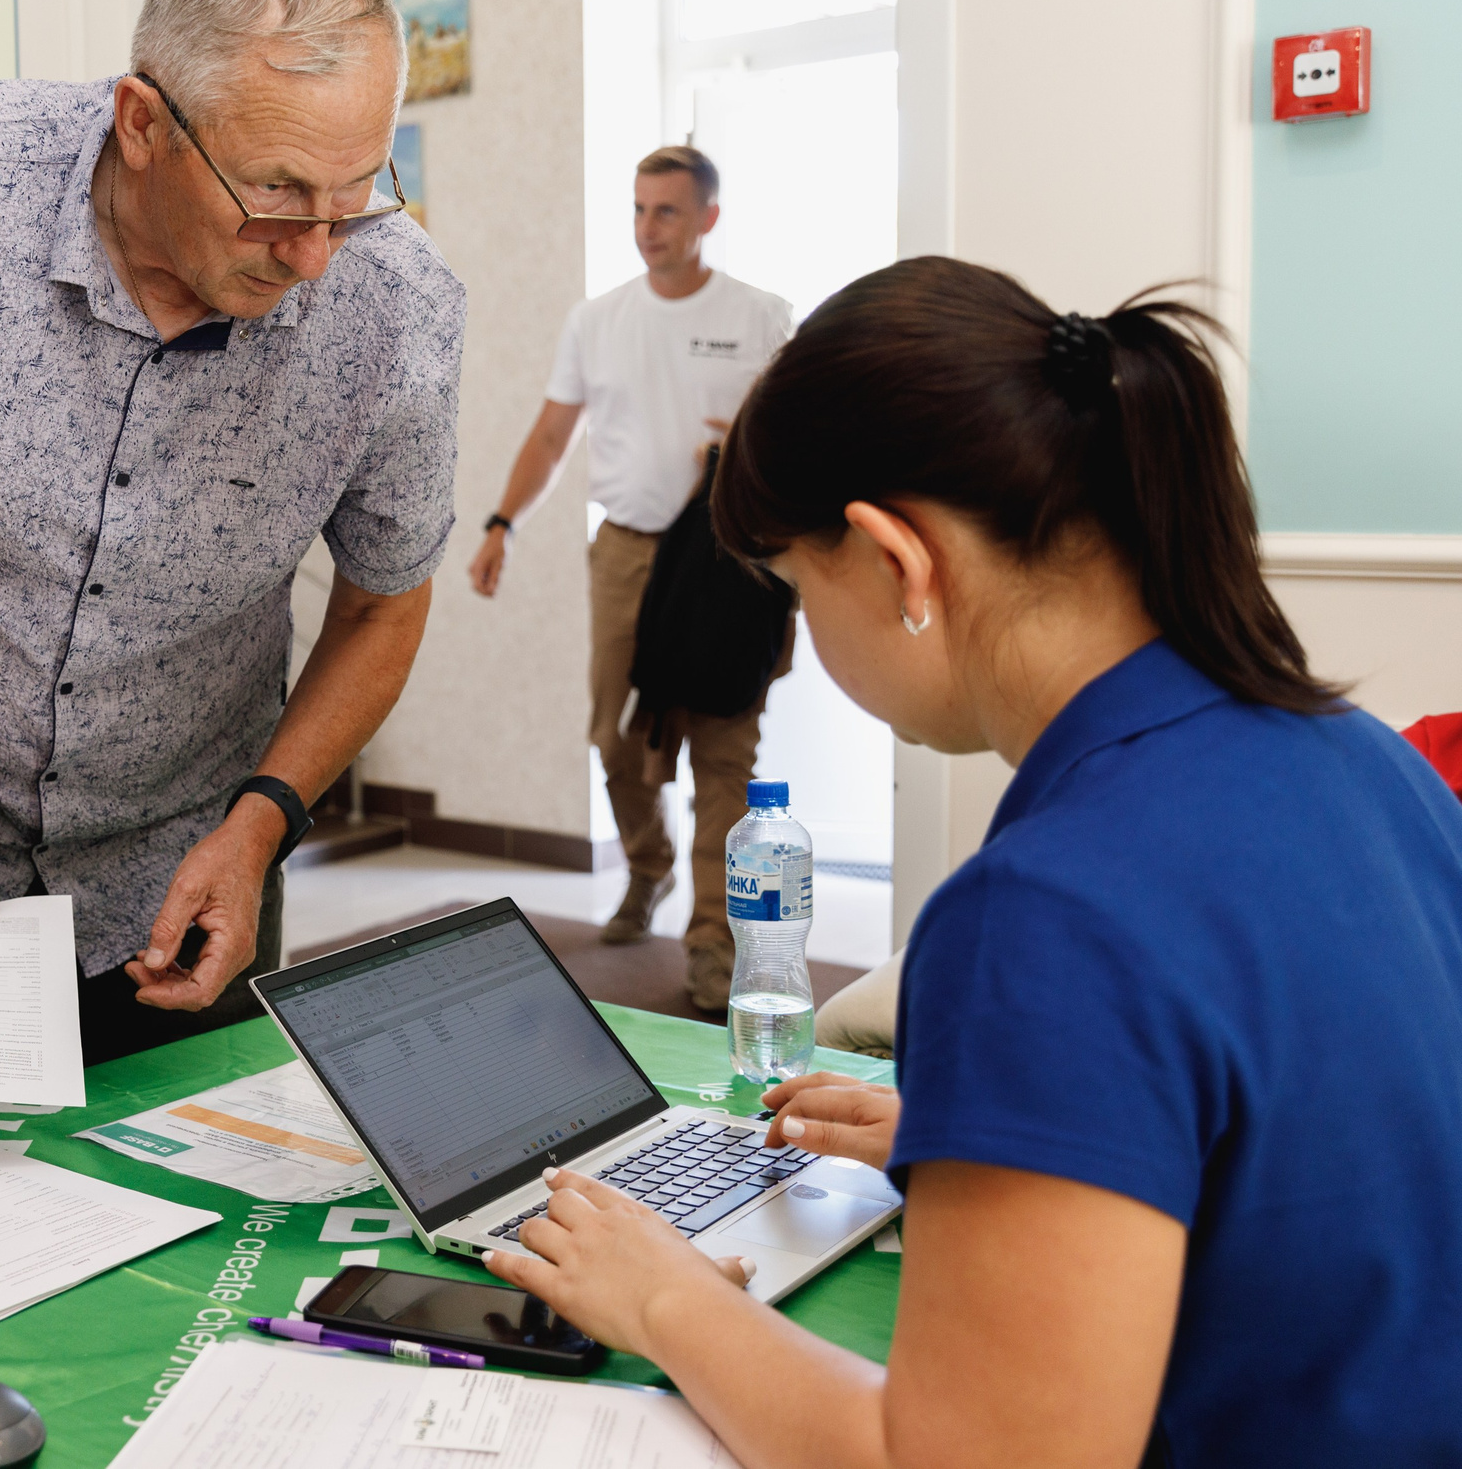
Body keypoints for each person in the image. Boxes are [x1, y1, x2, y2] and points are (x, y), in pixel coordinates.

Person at [482, 257, 1462, 1466]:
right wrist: (1030, 1139)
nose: (802, 642)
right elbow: (1316, 1148)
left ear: (898, 563)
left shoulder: (1049, 909)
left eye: (795, 591)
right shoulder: (1369, 762)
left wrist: (664, 1296)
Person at [0, 0, 462, 1142]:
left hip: (186, 885)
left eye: (356, 195)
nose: (312, 255)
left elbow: (385, 603)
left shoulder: (396, 311)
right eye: (276, 194)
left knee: (184, 1261)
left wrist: (260, 829)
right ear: (142, 123)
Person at [468, 147, 791, 1009]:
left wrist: (752, 444)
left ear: (709, 218)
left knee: (727, 754)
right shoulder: (597, 320)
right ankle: (647, 869)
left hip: (735, 560)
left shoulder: (764, 317)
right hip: (629, 555)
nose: (650, 229)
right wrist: (502, 523)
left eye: (670, 212)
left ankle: (714, 945)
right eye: (640, 210)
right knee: (620, 740)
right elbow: (549, 437)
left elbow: (807, 441)